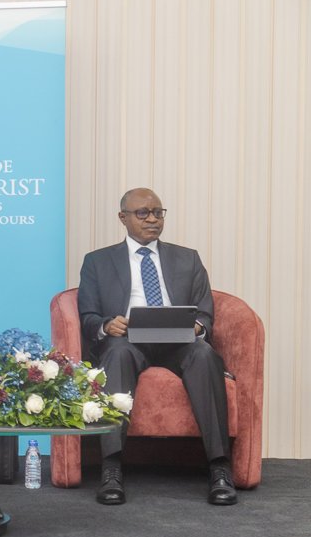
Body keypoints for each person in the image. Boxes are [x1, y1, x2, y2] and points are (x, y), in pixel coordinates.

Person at [78, 187, 235, 506]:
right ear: (123, 217)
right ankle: (111, 468)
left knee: (204, 354)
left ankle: (219, 468)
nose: (152, 219)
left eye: (158, 213)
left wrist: (196, 326)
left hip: (179, 341)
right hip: (128, 340)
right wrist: (107, 325)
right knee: (117, 351)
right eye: (142, 213)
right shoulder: (97, 261)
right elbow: (88, 315)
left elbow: (205, 310)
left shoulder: (188, 258)